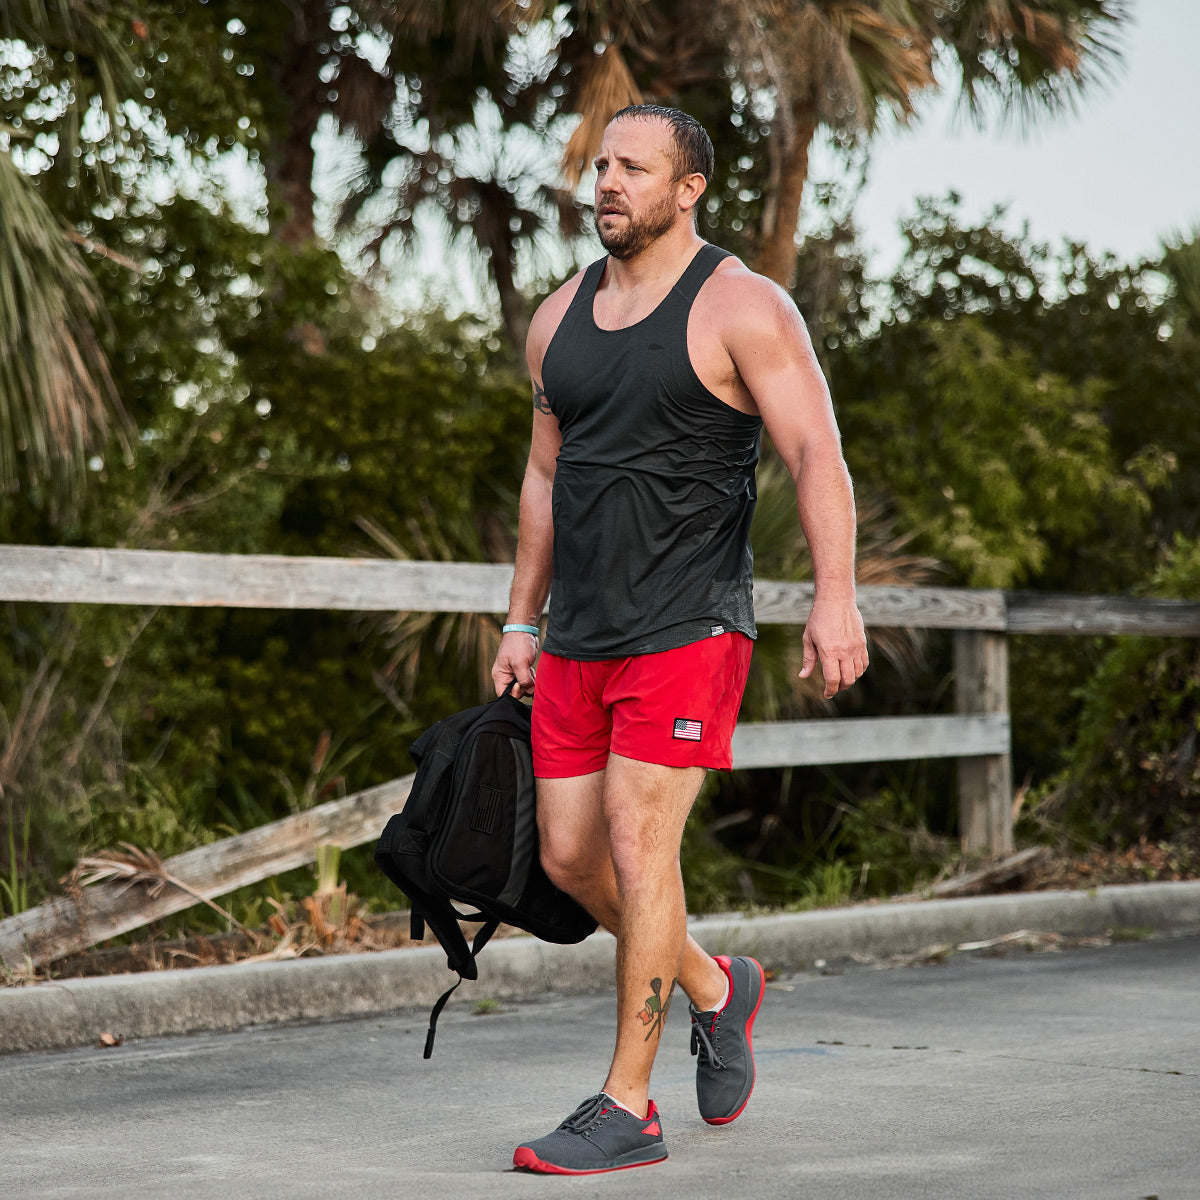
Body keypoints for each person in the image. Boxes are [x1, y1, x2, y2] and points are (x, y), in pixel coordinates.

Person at [490, 103, 868, 1175]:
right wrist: (523, 618)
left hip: (689, 622)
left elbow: (817, 455)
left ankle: (628, 1107)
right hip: (579, 636)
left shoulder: (742, 306)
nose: (606, 183)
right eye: (600, 165)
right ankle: (717, 986)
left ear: (687, 188)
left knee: (635, 844)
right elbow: (542, 480)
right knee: (568, 860)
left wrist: (835, 596)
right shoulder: (557, 319)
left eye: (633, 168)